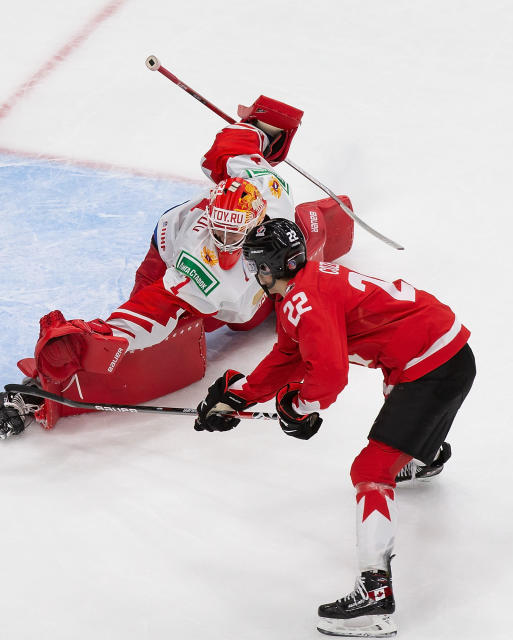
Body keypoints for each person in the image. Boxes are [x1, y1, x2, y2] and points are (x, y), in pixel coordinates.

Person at [0, 96, 355, 438]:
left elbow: (238, 146)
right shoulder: (203, 269)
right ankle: (38, 395)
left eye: (234, 237)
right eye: (219, 233)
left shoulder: (267, 187)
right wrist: (101, 338)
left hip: (249, 297)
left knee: (309, 240)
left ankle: (332, 221)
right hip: (171, 265)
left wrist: (261, 127)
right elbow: (149, 312)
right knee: (149, 355)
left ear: (261, 222)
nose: (224, 244)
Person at [194, 218, 475, 637]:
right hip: (443, 354)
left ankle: (375, 596)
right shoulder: (305, 286)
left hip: (431, 368)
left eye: (256, 265)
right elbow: (289, 353)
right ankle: (424, 454)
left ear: (271, 266)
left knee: (369, 471)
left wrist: (299, 405)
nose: (254, 274)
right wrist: (241, 396)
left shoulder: (303, 299)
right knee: (396, 397)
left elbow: (328, 375)